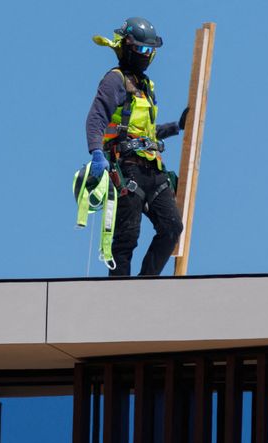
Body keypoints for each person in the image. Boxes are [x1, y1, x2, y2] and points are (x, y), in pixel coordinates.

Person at [85, 17, 188, 277]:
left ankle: (145, 285)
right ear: (127, 47)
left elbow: (146, 132)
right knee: (126, 238)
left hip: (153, 170)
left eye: (150, 51)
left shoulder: (146, 86)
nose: (147, 55)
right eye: (142, 49)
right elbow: (96, 118)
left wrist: (177, 126)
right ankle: (120, 294)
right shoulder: (115, 80)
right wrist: (97, 153)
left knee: (172, 227)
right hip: (127, 169)